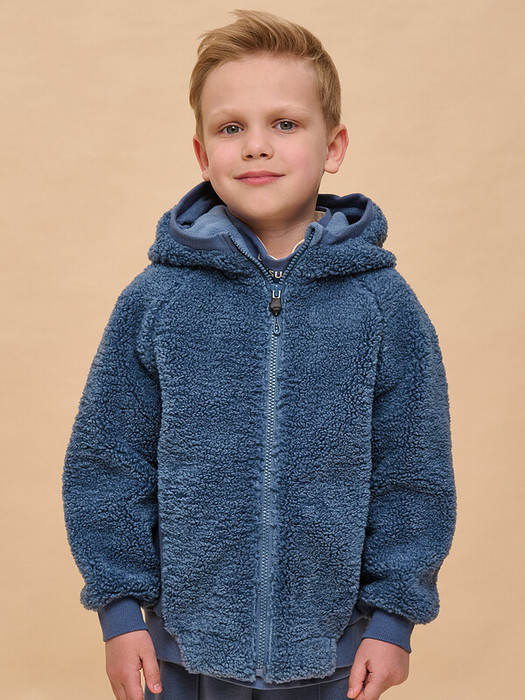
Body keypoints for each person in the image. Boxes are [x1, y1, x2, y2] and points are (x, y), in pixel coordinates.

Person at [62, 9, 457, 700]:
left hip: (335, 652)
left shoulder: (383, 305)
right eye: (230, 128)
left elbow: (413, 473)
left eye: (284, 123)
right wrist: (119, 613)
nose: (255, 146)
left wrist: (394, 620)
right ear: (201, 153)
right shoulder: (156, 299)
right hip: (180, 652)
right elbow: (107, 462)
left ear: (333, 146)